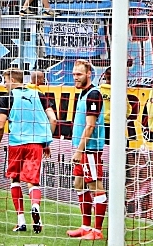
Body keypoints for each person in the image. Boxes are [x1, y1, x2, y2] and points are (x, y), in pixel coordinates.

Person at [0, 69, 57, 234]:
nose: (4, 84)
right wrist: (46, 141)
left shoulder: (7, 97)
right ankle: (35, 206)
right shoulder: (39, 95)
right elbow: (53, 119)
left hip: (17, 143)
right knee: (33, 181)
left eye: (5, 80)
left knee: (15, 179)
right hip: (36, 143)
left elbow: (0, 126)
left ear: (13, 80)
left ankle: (21, 220)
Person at [67, 59, 107, 241]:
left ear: (89, 74)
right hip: (81, 148)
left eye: (79, 74)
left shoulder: (94, 95)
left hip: (89, 149)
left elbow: (90, 126)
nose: (75, 77)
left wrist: (79, 150)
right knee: (79, 184)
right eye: (74, 74)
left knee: (95, 186)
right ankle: (85, 227)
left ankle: (97, 232)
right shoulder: (83, 94)